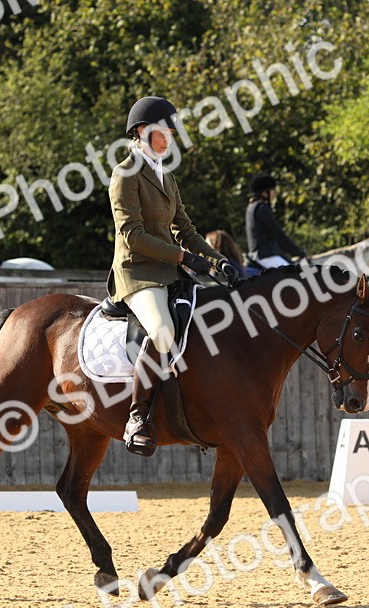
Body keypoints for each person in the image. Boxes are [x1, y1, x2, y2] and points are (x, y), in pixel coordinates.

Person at [108, 95, 240, 457]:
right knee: (164, 333)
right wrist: (184, 258)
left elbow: (186, 228)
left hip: (169, 271)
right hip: (138, 274)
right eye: (163, 132)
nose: (169, 139)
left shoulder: (166, 175)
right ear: (141, 132)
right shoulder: (125, 175)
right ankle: (136, 418)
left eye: (170, 132)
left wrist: (218, 261)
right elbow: (133, 235)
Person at [245, 173, 306, 270]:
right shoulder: (261, 208)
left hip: (261, 255)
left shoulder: (252, 206)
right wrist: (298, 252)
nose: (274, 193)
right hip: (266, 255)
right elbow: (278, 234)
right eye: (272, 190)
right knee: (295, 276)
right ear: (265, 193)